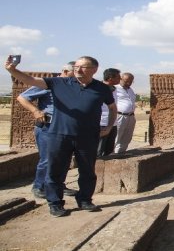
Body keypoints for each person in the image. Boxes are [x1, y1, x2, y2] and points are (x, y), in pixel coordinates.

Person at [5, 55, 116, 217]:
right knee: (55, 170)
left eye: (83, 67)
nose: (78, 69)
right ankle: (55, 202)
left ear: (94, 70)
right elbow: (31, 80)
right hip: (59, 134)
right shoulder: (59, 83)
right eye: (76, 66)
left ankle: (85, 199)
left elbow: (112, 108)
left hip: (87, 136)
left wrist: (108, 127)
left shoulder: (102, 88)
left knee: (87, 170)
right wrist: (12, 70)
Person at [16, 62, 77, 199]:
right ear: (66, 72)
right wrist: (35, 111)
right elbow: (22, 97)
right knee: (47, 158)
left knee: (64, 158)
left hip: (64, 127)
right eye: (75, 73)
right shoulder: (49, 84)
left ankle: (58, 185)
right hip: (48, 126)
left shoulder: (72, 87)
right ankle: (39, 186)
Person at [97, 68, 120, 157]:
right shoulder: (98, 88)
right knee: (99, 149)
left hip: (113, 123)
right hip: (102, 122)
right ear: (110, 78)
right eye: (118, 77)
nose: (120, 79)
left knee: (109, 150)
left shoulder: (115, 89)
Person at [114, 72, 136, 153]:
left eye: (131, 81)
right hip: (120, 115)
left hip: (131, 116)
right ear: (121, 79)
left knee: (127, 136)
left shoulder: (130, 90)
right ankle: (112, 154)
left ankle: (121, 153)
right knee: (117, 135)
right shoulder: (115, 89)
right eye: (126, 81)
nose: (129, 83)